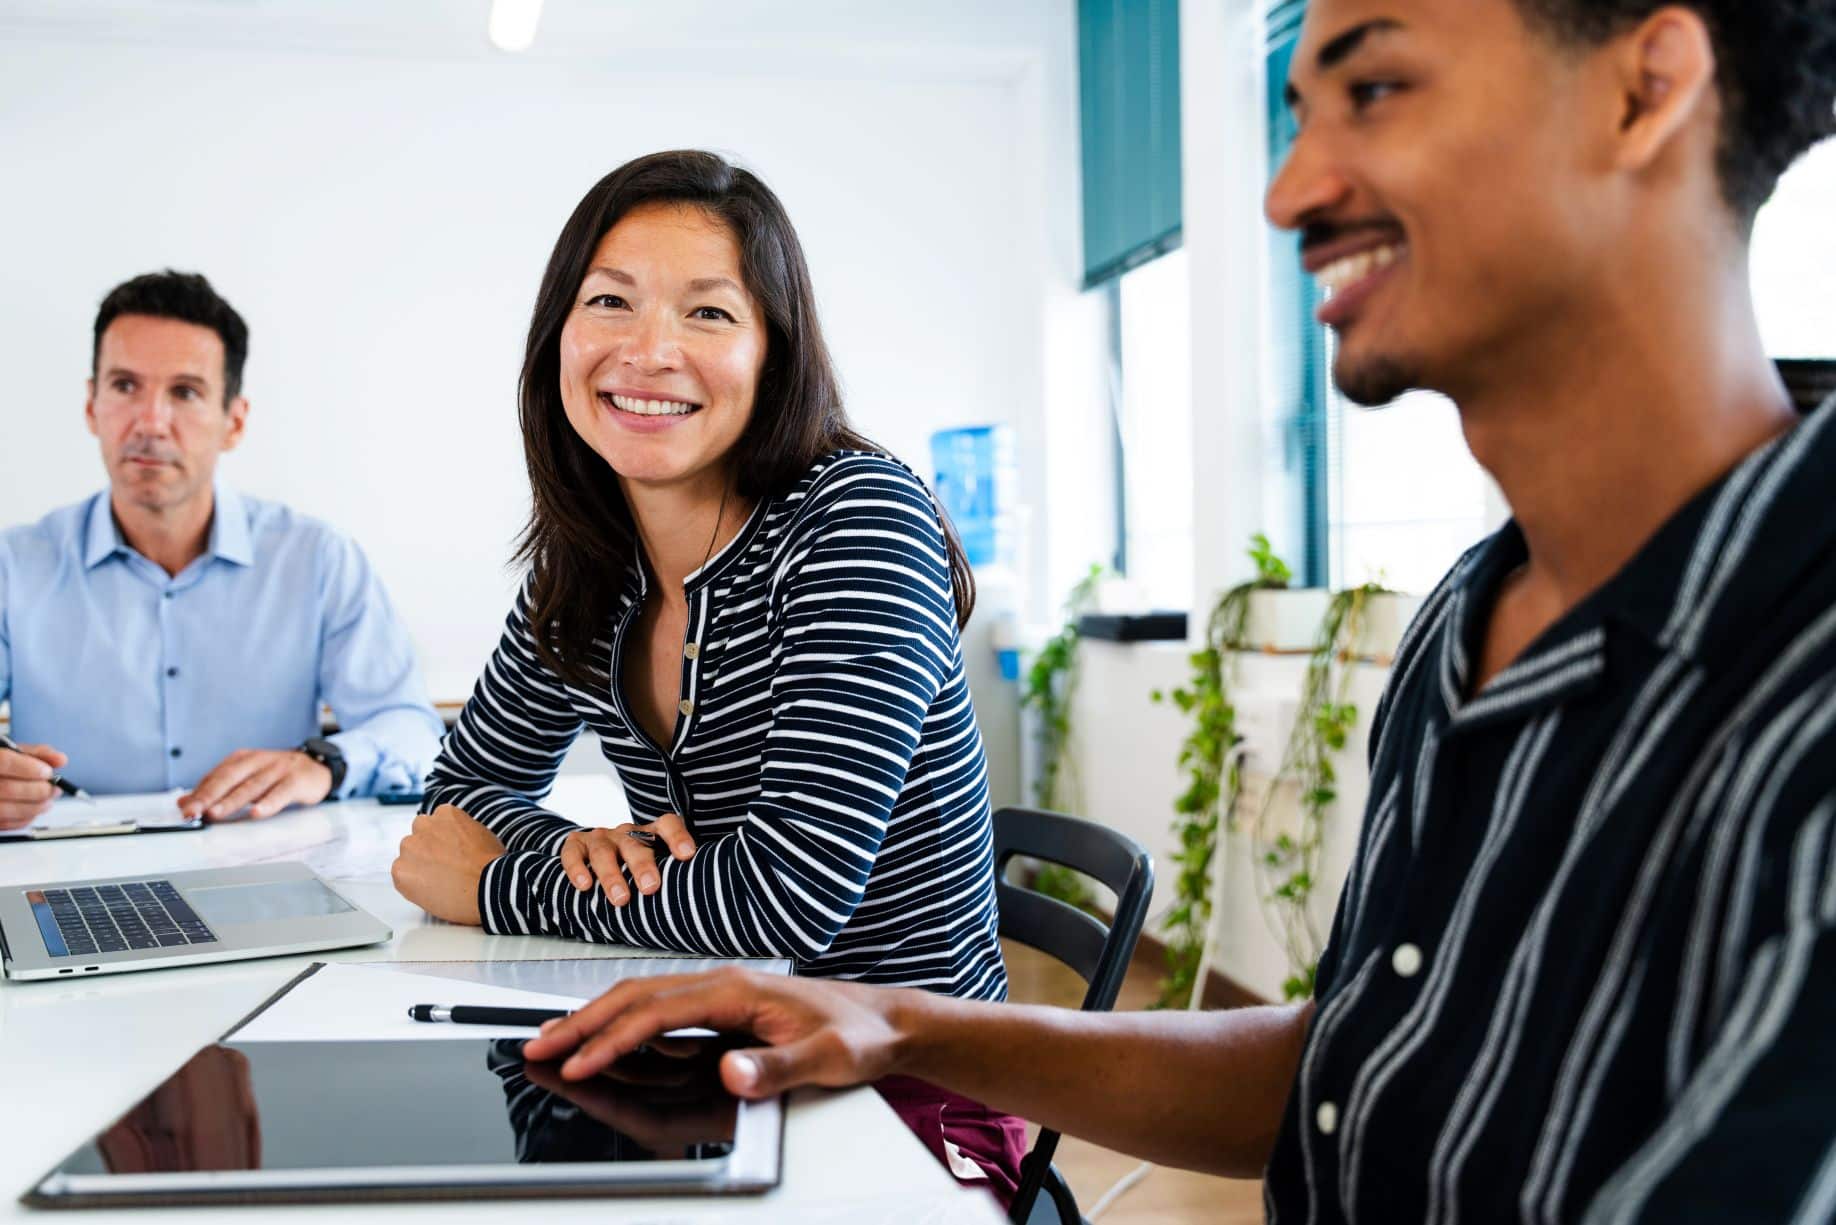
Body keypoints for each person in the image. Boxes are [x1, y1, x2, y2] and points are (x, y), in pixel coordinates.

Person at [522, 2, 1836, 1220]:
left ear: (1643, 90)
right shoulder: (1471, 623)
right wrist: (907, 1027)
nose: (1288, 193)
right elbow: (1355, 1067)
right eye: (1298, 116)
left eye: (1375, 88)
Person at [388, 152, 1020, 1198]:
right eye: (610, 302)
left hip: (907, 1085)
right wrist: (594, 850)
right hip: (701, 1046)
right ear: (559, 337)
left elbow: (783, 902)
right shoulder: (590, 558)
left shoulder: (857, 519)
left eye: (709, 314)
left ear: (775, 351)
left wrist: (503, 880)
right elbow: (457, 802)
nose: (649, 351)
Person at [0, 271, 442, 829]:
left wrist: (324, 764)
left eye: (184, 392)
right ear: (92, 405)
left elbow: (412, 732)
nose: (150, 422)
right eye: (124, 386)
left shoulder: (315, 559)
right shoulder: (15, 566)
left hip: (267, 867)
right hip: (68, 871)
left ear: (234, 421)